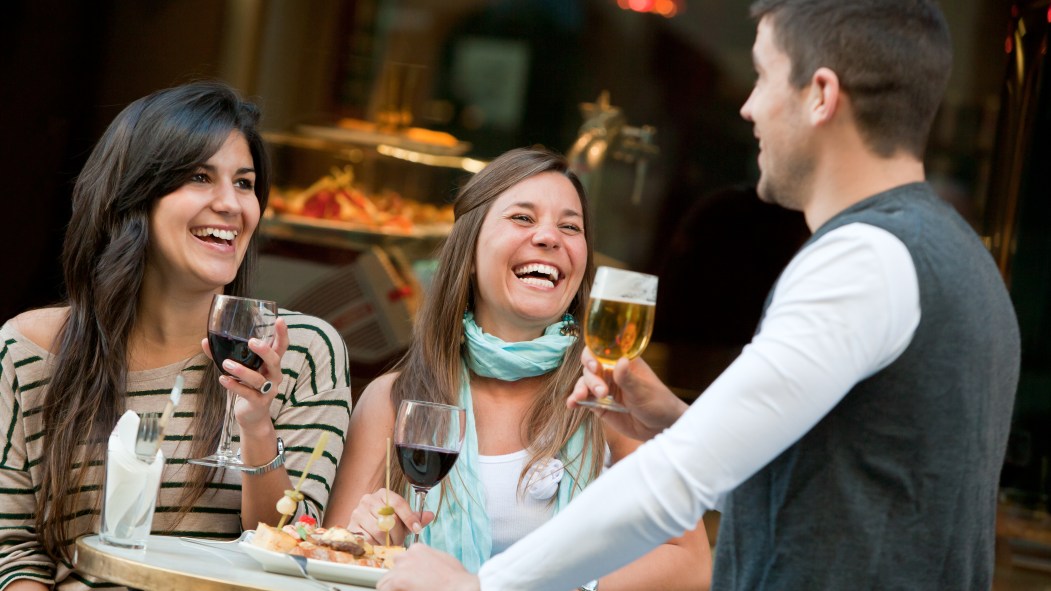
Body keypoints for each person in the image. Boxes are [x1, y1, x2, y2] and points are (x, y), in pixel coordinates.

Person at [376, 1, 1021, 590]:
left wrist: (479, 588)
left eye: (763, 76)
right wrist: (674, 420)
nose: (748, 107)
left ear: (821, 95)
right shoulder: (955, 254)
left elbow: (675, 483)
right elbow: (834, 471)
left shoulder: (862, 260)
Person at [0, 81, 352, 590]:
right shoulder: (30, 353)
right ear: (133, 196)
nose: (231, 204)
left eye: (245, 183)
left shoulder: (301, 352)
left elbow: (290, 551)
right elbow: (12, 549)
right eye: (199, 177)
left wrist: (256, 427)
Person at [325, 147, 711, 590]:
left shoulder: (606, 397)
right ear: (469, 254)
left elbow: (690, 563)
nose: (549, 237)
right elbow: (331, 563)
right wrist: (373, 540)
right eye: (523, 218)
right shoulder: (396, 399)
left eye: (570, 226)